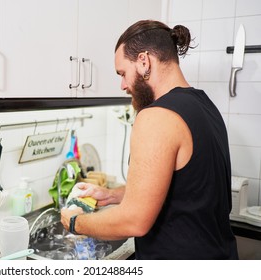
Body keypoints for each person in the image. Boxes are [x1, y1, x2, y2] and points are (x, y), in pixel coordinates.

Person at [60, 19, 238, 260]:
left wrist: (75, 223)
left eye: (123, 73)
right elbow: (187, 192)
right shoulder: (204, 105)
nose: (123, 85)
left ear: (144, 61)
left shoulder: (156, 116)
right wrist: (112, 195)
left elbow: (134, 221)